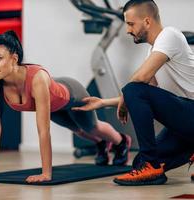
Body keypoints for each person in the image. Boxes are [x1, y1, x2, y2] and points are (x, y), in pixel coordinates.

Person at [0, 30, 131, 183]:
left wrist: (46, 173)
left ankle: (121, 142)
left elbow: (43, 130)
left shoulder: (37, 78)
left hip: (71, 93)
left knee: (91, 127)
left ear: (14, 59)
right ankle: (101, 144)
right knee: (78, 130)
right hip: (53, 105)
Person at [73, 0, 194, 186]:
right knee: (137, 163)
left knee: (133, 89)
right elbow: (145, 93)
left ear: (147, 21)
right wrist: (103, 103)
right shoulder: (153, 52)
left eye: (130, 24)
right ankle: (161, 161)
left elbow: (139, 82)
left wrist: (127, 94)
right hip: (184, 123)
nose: (127, 30)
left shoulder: (170, 35)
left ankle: (151, 166)